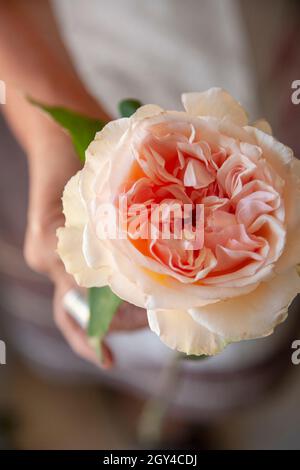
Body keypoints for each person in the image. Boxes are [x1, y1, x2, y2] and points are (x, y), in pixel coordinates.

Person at [0, 0, 299, 417]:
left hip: (238, 31)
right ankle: (142, 400)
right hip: (72, 51)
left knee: (228, 353)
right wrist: (55, 140)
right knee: (75, 288)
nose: (192, 218)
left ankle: (167, 412)